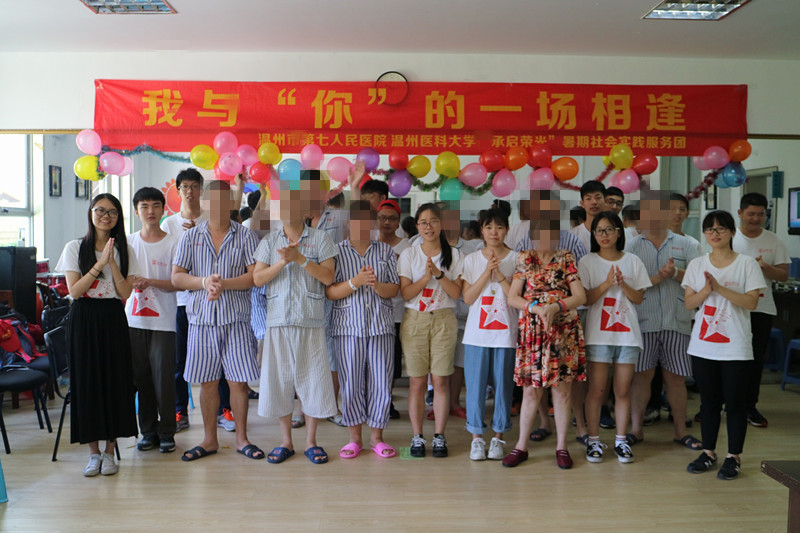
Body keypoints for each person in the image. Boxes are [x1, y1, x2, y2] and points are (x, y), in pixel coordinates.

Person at [172, 180, 263, 462]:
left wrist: (224, 284)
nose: (219, 205)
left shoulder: (245, 236)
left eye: (225, 200)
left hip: (237, 320)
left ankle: (242, 439)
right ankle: (209, 439)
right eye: (213, 200)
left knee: (238, 383)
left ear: (232, 203)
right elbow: (177, 277)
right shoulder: (190, 237)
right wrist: (204, 282)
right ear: (204, 202)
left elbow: (254, 277)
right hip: (201, 321)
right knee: (208, 383)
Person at [253, 170, 339, 465]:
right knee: (280, 380)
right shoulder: (269, 241)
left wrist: (300, 259)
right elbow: (257, 279)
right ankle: (286, 441)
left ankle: (312, 442)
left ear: (305, 209)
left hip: (310, 320)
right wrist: (283, 262)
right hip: (278, 320)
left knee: (313, 379)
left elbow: (328, 277)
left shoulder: (321, 239)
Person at [56, 193, 140, 476]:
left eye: (112, 212)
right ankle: (93, 454)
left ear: (119, 217)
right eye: (100, 210)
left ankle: (109, 452)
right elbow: (75, 291)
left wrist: (112, 262)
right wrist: (99, 264)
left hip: (113, 317)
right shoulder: (74, 247)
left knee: (116, 381)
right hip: (84, 317)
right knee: (87, 382)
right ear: (91, 213)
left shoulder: (126, 250)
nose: (106, 216)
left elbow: (126, 292)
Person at [502, 190, 587, 470]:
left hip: (563, 331)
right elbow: (513, 297)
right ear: (532, 237)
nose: (545, 239)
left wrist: (557, 306)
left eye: (550, 233)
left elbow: (580, 296)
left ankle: (562, 447)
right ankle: (521, 446)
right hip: (533, 333)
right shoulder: (525, 259)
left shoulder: (565, 257)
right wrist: (537, 308)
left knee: (562, 391)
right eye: (539, 234)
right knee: (530, 391)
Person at [683, 210, 766, 480]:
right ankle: (708, 452)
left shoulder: (746, 264)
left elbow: (751, 302)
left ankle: (733, 456)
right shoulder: (697, 264)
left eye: (721, 228)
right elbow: (689, 303)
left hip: (736, 346)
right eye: (710, 229)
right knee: (708, 404)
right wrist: (707, 291)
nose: (715, 233)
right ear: (705, 235)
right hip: (703, 346)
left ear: (731, 232)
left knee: (735, 404)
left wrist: (719, 289)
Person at [625, 190, 702, 450]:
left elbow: (698, 281)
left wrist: (675, 273)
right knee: (641, 377)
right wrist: (657, 278)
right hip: (642, 321)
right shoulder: (631, 247)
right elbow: (627, 285)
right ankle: (636, 430)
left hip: (676, 320)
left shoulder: (686, 244)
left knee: (676, 378)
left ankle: (681, 431)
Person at [326, 200, 400, 459]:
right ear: (348, 223)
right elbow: (330, 292)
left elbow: (394, 289)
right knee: (351, 384)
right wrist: (355, 282)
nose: (362, 226)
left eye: (367, 221)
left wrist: (376, 285)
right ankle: (354, 439)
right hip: (347, 328)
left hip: (380, 327)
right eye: (356, 221)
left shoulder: (385, 251)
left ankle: (377, 437)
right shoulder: (336, 252)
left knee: (381, 382)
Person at [578, 212, 651, 464]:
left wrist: (622, 284)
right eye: (599, 230)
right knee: (597, 390)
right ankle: (594, 441)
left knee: (622, 389)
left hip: (627, 336)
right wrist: (606, 283)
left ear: (619, 232)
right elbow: (585, 299)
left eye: (609, 229)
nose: (604, 235)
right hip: (598, 335)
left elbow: (639, 298)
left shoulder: (632, 261)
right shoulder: (587, 261)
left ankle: (621, 441)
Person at [398, 203, 464, 458]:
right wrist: (425, 278)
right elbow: (406, 293)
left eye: (433, 221)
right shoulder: (409, 254)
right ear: (417, 226)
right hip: (415, 320)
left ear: (441, 224)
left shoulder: (454, 255)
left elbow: (456, 293)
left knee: (440, 381)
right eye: (423, 222)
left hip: (444, 320)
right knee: (416, 382)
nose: (429, 227)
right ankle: (417, 436)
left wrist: (438, 274)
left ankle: (439, 436)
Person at [460, 208, 518, 461]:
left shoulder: (517, 259)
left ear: (507, 230)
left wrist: (500, 275)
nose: (494, 232)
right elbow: (468, 298)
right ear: (481, 230)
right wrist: (486, 272)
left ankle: (498, 437)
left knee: (504, 386)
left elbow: (517, 298)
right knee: (475, 387)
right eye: (489, 227)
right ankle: (476, 438)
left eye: (499, 227)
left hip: (506, 334)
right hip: (476, 335)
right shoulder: (471, 260)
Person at [126, 187, 179, 454]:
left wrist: (150, 282)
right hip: (133, 321)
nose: (150, 211)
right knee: (141, 379)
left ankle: (167, 431)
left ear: (163, 209)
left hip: (163, 322)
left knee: (163, 380)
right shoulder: (127, 242)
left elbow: (177, 283)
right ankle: (147, 431)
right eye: (144, 206)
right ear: (136, 211)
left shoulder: (173, 243)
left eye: (156, 205)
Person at [732, 193, 789, 428]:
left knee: (755, 360)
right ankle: (719, 405)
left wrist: (765, 267)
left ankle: (749, 407)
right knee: (729, 359)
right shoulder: (730, 238)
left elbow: (783, 275)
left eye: (760, 214)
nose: (755, 218)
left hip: (762, 309)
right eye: (751, 214)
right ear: (740, 213)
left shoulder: (773, 240)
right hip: (732, 308)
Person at [161, 168, 208, 432]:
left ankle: (224, 410)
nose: (190, 192)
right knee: (179, 361)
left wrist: (201, 236)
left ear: (201, 189)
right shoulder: (169, 224)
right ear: (178, 191)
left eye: (194, 186)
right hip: (180, 302)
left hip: (209, 300)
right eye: (185, 187)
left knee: (215, 359)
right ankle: (180, 410)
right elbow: (168, 263)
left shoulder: (212, 220)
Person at [377, 199, 410, 419]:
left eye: (391, 218)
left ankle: (386, 401)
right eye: (382, 218)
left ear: (398, 222)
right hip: (372, 312)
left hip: (397, 313)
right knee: (372, 360)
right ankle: (371, 400)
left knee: (392, 362)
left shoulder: (407, 247)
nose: (386, 222)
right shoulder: (369, 242)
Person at [570, 180, 607, 250]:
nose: (594, 202)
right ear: (582, 204)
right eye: (588, 198)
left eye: (598, 197)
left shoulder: (613, 233)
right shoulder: (572, 236)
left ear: (605, 201)